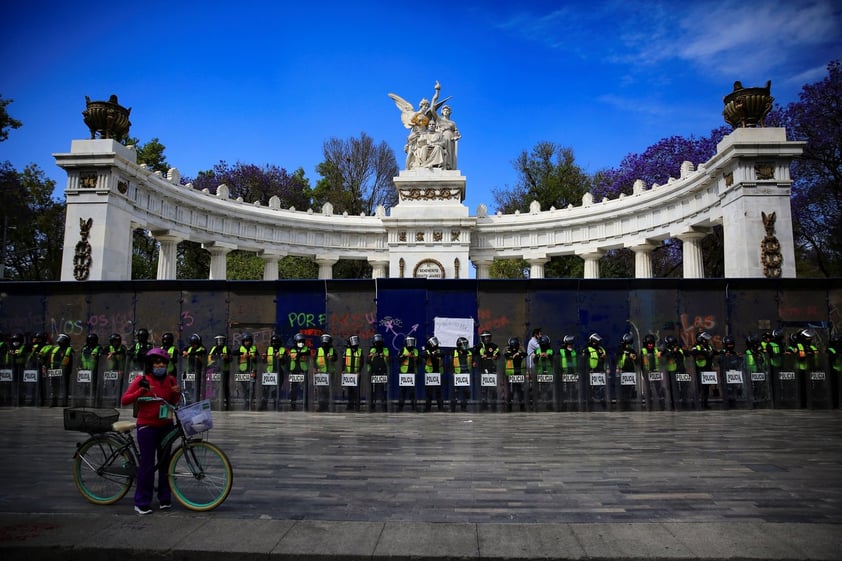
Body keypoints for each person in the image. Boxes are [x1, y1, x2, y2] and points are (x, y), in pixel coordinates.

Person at [121, 347, 181, 515]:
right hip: (147, 427)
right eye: (156, 362)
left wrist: (176, 392)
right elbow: (125, 399)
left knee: (165, 463)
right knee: (147, 465)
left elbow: (173, 401)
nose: (160, 365)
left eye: (162, 362)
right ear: (150, 365)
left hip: (166, 425)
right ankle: (141, 501)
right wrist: (140, 392)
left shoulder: (170, 380)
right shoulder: (142, 380)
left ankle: (164, 498)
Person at [46, 333, 73, 407]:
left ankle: (64, 402)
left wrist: (68, 371)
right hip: (54, 370)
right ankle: (54, 401)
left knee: (64, 386)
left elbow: (70, 362)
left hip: (64, 371)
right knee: (54, 386)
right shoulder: (55, 349)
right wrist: (48, 367)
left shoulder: (68, 350)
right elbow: (50, 359)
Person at [639, 334, 666, 410]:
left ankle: (662, 405)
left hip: (656, 372)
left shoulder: (656, 350)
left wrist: (661, 354)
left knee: (659, 389)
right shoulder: (643, 351)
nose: (650, 345)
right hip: (647, 372)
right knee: (648, 389)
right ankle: (649, 406)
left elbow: (665, 351)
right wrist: (644, 373)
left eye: (652, 343)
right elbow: (641, 363)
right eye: (649, 343)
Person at [475, 331, 500, 411]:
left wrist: (490, 356)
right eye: (485, 337)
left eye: (488, 337)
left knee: (493, 388)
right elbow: (476, 356)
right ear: (482, 338)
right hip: (482, 370)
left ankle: (493, 405)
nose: (486, 339)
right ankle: (483, 405)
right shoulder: (479, 346)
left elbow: (497, 354)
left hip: (492, 370)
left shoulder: (494, 346)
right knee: (483, 389)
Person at [691, 331, 716, 409]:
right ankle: (699, 403)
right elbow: (693, 352)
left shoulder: (709, 347)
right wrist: (705, 353)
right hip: (700, 370)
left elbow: (715, 352)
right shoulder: (696, 346)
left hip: (708, 369)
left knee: (706, 388)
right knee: (700, 387)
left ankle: (705, 403)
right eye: (705, 339)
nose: (706, 341)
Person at [664, 335, 690, 409]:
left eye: (674, 344)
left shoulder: (680, 350)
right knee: (673, 388)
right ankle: (673, 403)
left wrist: (684, 349)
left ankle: (685, 403)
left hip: (682, 371)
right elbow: (666, 356)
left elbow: (688, 354)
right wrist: (673, 351)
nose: (674, 346)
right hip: (672, 372)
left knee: (684, 387)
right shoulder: (667, 350)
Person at [261, 334, 286, 411]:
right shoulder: (269, 349)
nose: (274, 344)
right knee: (265, 389)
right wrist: (264, 357)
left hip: (279, 371)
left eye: (276, 342)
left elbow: (285, 362)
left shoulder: (283, 350)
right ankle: (264, 405)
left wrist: (280, 358)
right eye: (273, 342)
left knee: (277, 390)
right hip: (269, 371)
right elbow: (265, 360)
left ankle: (276, 405)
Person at [314, 334, 338, 411]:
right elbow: (315, 360)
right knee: (320, 390)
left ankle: (327, 405)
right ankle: (321, 405)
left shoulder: (332, 350)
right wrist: (315, 368)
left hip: (330, 373)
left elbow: (335, 358)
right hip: (321, 373)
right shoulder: (318, 350)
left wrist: (332, 358)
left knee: (328, 390)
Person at [287, 333, 311, 410]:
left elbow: (308, 353)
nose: (301, 343)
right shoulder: (292, 350)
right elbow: (289, 357)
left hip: (303, 370)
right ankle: (293, 404)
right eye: (299, 341)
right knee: (293, 388)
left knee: (305, 388)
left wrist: (299, 354)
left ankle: (306, 404)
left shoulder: (306, 349)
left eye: (302, 341)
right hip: (294, 371)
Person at [584, 333, 607, 410]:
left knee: (601, 388)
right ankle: (590, 406)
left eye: (596, 342)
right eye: (594, 342)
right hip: (591, 372)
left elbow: (605, 359)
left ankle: (602, 405)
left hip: (601, 371)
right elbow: (584, 361)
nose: (595, 343)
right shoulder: (587, 350)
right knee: (591, 389)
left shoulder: (601, 349)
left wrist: (603, 357)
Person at [236, 333, 259, 410]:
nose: (247, 342)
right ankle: (246, 402)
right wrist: (242, 354)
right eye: (245, 341)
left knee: (251, 388)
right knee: (244, 388)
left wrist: (254, 356)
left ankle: (251, 403)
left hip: (252, 371)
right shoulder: (241, 348)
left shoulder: (254, 348)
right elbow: (234, 353)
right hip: (243, 371)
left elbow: (258, 357)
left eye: (248, 341)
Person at [207, 335, 231, 410]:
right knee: (212, 387)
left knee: (224, 387)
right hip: (215, 371)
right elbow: (210, 357)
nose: (220, 342)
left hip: (224, 371)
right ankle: (211, 403)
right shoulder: (213, 348)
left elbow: (230, 358)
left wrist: (226, 357)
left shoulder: (226, 349)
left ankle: (226, 403)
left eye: (221, 340)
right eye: (218, 340)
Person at [181, 333, 206, 402]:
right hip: (189, 370)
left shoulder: (202, 348)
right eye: (192, 344)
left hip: (198, 371)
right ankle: (189, 399)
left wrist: (189, 354)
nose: (193, 346)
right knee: (187, 386)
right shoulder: (189, 348)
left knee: (197, 386)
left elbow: (201, 352)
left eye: (194, 344)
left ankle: (197, 400)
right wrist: (183, 352)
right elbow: (181, 352)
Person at [616, 332, 638, 410]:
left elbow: (637, 361)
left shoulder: (632, 351)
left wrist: (635, 358)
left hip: (631, 372)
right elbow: (618, 354)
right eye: (627, 344)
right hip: (623, 371)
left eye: (630, 344)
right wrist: (627, 353)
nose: (629, 345)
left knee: (630, 389)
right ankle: (623, 405)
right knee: (623, 389)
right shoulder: (620, 349)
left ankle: (629, 404)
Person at [503, 336, 526, 412]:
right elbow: (506, 355)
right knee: (510, 391)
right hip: (510, 374)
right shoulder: (507, 352)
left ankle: (522, 406)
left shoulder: (520, 352)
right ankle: (509, 406)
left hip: (519, 374)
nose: (514, 348)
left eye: (516, 346)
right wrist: (514, 355)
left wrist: (518, 354)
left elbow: (524, 354)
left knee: (520, 390)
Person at [533, 335, 555, 411]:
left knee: (550, 390)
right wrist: (538, 355)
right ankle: (537, 405)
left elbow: (553, 360)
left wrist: (548, 356)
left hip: (549, 373)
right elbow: (534, 361)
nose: (543, 346)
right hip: (540, 373)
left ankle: (549, 404)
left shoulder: (551, 351)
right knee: (539, 390)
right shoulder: (537, 351)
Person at [368, 334, 389, 412]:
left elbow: (389, 359)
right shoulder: (372, 350)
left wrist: (385, 356)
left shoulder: (385, 349)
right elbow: (368, 361)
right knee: (373, 390)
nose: (378, 344)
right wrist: (370, 356)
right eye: (377, 342)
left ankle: (384, 406)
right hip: (374, 372)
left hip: (383, 372)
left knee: (384, 389)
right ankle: (372, 406)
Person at [450, 336, 472, 412]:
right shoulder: (454, 352)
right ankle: (453, 408)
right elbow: (451, 363)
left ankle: (464, 407)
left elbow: (472, 362)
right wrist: (453, 372)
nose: (465, 346)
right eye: (464, 344)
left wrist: (474, 363)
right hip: (457, 374)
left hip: (466, 373)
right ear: (459, 345)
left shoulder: (469, 352)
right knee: (456, 391)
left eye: (466, 344)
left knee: (466, 391)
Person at [422, 336, 444, 412]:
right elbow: (423, 355)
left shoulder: (438, 351)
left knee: (438, 392)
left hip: (437, 373)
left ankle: (440, 408)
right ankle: (427, 408)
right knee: (429, 392)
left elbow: (442, 354)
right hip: (430, 374)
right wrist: (430, 354)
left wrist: (436, 354)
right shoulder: (427, 351)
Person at [79, 333, 102, 405]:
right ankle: (83, 401)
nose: (91, 342)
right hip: (84, 371)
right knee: (83, 386)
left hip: (95, 370)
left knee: (94, 386)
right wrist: (79, 366)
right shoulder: (84, 348)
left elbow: (101, 358)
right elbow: (81, 358)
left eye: (93, 340)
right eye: (90, 340)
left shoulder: (98, 348)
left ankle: (94, 401)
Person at [398, 336, 419, 412]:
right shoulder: (403, 350)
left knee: (412, 391)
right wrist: (405, 356)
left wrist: (415, 358)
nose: (411, 344)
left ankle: (414, 407)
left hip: (413, 372)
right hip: (404, 373)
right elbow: (399, 360)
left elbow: (419, 361)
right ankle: (400, 407)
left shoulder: (416, 351)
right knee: (402, 391)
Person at [558, 335, 579, 410]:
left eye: (571, 344)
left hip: (573, 373)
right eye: (569, 344)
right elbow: (558, 361)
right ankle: (564, 405)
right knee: (564, 390)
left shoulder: (573, 351)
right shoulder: (561, 351)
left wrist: (576, 371)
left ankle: (573, 404)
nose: (571, 345)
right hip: (564, 373)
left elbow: (576, 362)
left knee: (573, 389)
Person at [342, 335, 364, 411]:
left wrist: (359, 371)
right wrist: (343, 371)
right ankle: (350, 405)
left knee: (357, 391)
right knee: (349, 390)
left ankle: (357, 406)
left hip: (356, 373)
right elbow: (343, 362)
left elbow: (361, 362)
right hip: (348, 373)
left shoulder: (360, 351)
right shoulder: (346, 350)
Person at [437, 105, 461, 170]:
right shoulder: (439, 119)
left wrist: (457, 136)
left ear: (450, 112)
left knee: (449, 151)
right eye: (444, 110)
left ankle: (448, 165)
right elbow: (433, 111)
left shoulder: (452, 123)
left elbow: (456, 131)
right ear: (442, 112)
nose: (446, 112)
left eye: (447, 110)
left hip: (450, 137)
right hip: (442, 136)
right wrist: (434, 100)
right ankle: (441, 164)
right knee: (442, 150)